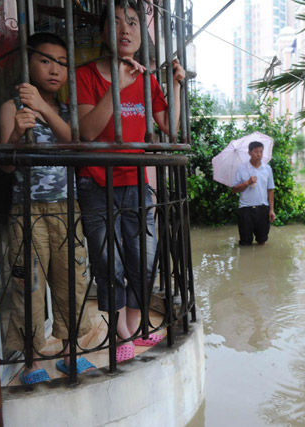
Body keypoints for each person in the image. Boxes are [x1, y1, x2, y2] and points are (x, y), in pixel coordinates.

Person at [75, 1, 185, 362]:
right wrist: (118, 86)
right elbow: (88, 132)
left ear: (141, 34)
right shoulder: (86, 75)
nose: (126, 28)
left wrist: (177, 87)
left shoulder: (148, 79)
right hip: (96, 182)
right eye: (117, 22)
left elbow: (171, 127)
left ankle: (137, 326)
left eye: (134, 22)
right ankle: (120, 331)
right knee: (109, 262)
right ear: (104, 32)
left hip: (136, 182)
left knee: (143, 258)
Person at [0, 32, 94, 384]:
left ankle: (70, 353)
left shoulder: (68, 111)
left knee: (72, 280)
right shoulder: (12, 107)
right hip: (28, 211)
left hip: (67, 209)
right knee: (30, 286)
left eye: (62, 63)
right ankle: (31, 361)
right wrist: (13, 137)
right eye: (45, 60)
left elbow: (77, 146)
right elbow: (6, 166)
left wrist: (43, 107)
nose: (55, 69)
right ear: (28, 63)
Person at [231, 141, 276, 245]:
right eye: (256, 151)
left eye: (261, 151)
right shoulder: (242, 168)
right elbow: (234, 189)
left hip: (263, 209)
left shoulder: (267, 168)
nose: (259, 154)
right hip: (245, 210)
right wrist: (247, 182)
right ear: (249, 152)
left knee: (262, 241)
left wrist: (271, 210)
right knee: (245, 243)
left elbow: (270, 189)